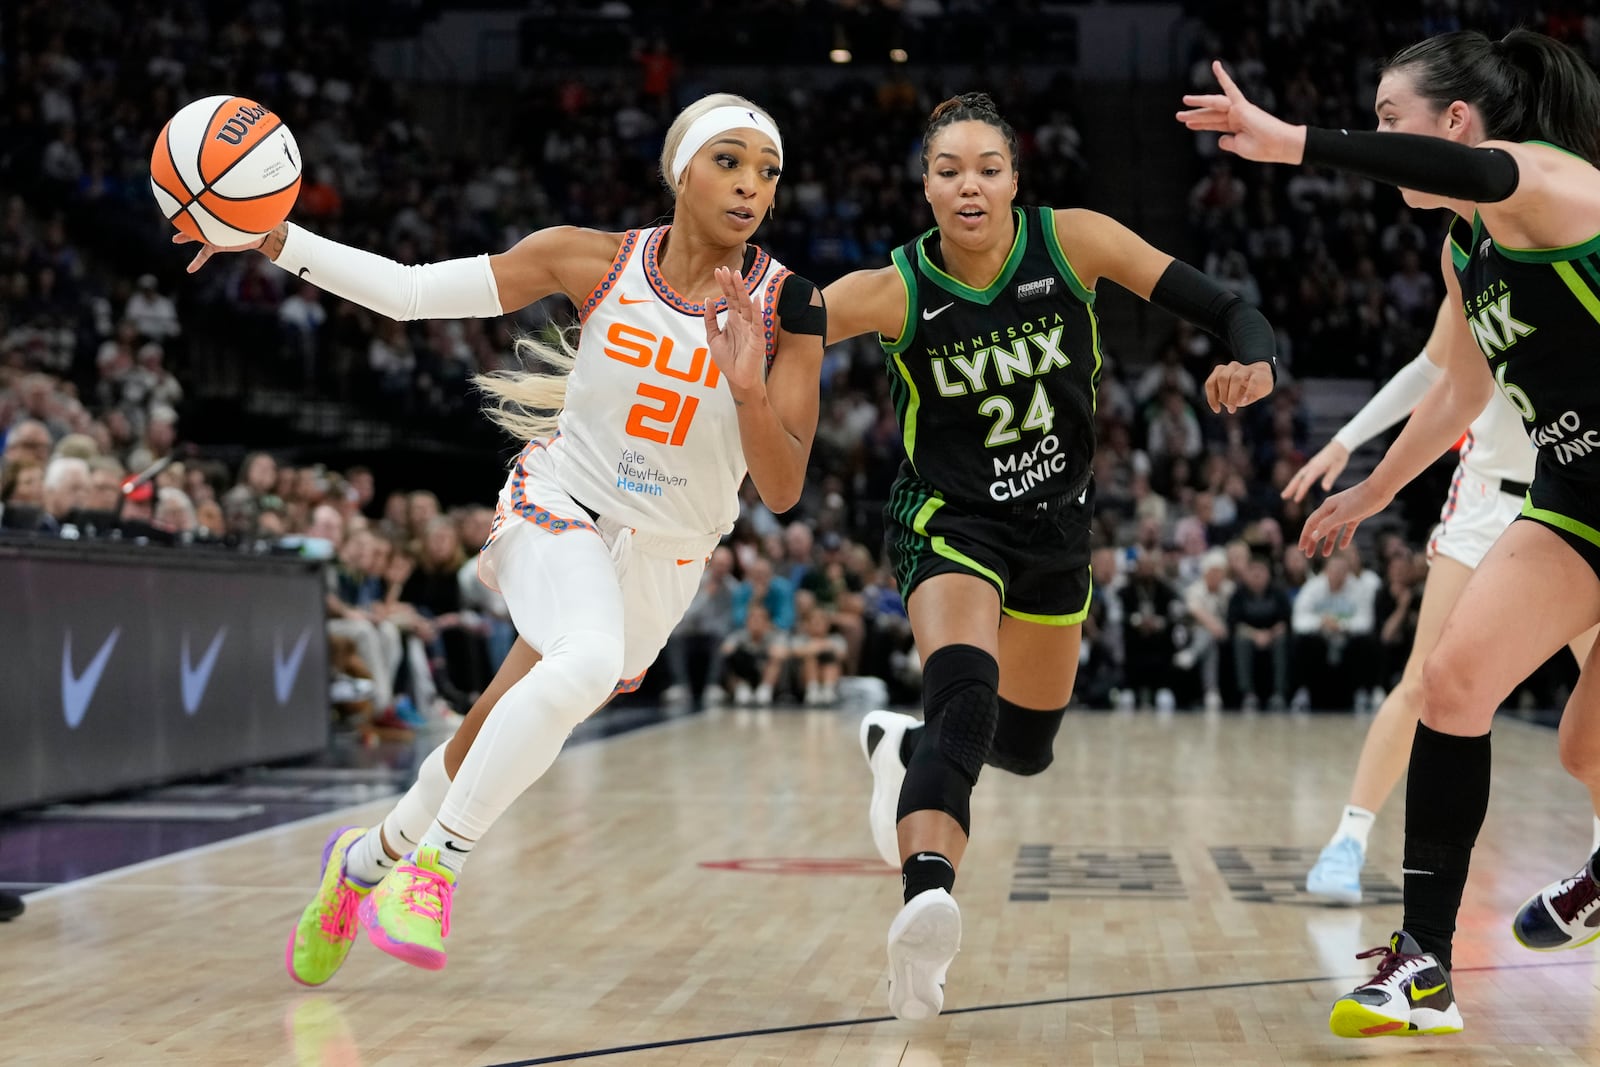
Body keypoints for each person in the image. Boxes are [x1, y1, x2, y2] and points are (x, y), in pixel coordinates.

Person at [181, 93, 824, 983]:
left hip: (668, 557)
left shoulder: (791, 305)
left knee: (499, 718)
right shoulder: (594, 259)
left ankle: (365, 861)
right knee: (588, 657)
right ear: (680, 168)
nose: (752, 185)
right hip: (562, 501)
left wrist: (749, 391)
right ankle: (436, 867)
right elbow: (410, 293)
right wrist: (277, 240)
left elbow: (784, 490)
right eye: (730, 160)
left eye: (768, 170)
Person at [1179, 29, 1600, 1039]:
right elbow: (1461, 385)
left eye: (1388, 117)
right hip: (1577, 493)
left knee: (1586, 745)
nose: (1380, 138)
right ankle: (1423, 969)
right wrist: (1370, 489)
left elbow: (1468, 168)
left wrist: (1298, 141)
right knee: (1453, 687)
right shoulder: (1467, 247)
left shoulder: (1549, 182)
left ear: (1453, 122)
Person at [821, 92, 1277, 1020]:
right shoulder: (896, 288)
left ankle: (899, 745)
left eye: (987, 167)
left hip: (1058, 530)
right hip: (949, 523)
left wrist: (1256, 355)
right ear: (925, 188)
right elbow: (780, 322)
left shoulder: (1074, 242)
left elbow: (1223, 304)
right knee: (964, 697)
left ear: (1016, 180)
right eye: (949, 170)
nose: (970, 185)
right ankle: (926, 903)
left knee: (1024, 747)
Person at [1286, 302, 1600, 906]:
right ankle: (1348, 839)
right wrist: (1346, 443)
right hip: (1486, 500)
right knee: (1426, 682)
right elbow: (1435, 372)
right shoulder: (1470, 256)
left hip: (1576, 501)